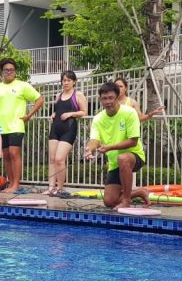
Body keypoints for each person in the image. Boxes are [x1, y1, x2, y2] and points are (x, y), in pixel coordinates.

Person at [84, 81, 150, 209]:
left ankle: (126, 201)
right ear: (100, 100)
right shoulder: (98, 118)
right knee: (109, 202)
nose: (108, 102)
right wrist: (89, 149)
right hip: (114, 162)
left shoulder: (129, 113)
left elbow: (133, 141)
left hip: (134, 155)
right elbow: (94, 140)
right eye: (104, 99)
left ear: (117, 97)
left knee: (123, 158)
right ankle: (139, 192)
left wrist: (110, 147)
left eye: (111, 98)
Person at [0, 59, 43, 194]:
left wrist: (29, 115)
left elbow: (40, 99)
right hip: (1, 127)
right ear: (2, 72)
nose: (9, 72)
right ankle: (11, 183)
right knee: (6, 155)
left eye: (11, 70)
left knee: (14, 153)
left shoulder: (23, 86)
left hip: (16, 125)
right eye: (6, 70)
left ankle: (16, 184)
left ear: (15, 72)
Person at [45, 71, 88, 198]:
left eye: (69, 80)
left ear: (74, 82)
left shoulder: (78, 95)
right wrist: (53, 115)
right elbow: (58, 110)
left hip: (69, 129)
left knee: (59, 159)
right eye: (64, 80)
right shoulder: (58, 95)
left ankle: (60, 188)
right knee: (52, 159)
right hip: (55, 128)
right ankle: (51, 188)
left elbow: (84, 112)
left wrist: (71, 114)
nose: (66, 82)